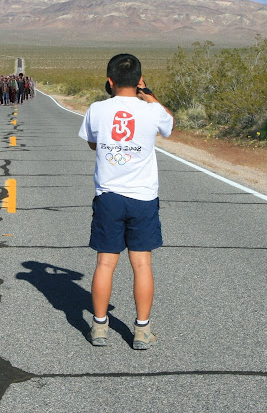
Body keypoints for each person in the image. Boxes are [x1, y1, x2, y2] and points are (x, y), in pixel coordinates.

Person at [78, 53, 174, 349]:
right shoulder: (153, 110)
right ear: (139, 80)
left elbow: (93, 142)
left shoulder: (97, 109)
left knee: (105, 264)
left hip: (109, 196)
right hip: (143, 197)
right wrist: (147, 94)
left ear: (109, 81)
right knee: (142, 264)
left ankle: (99, 327)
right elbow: (169, 127)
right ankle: (142, 330)